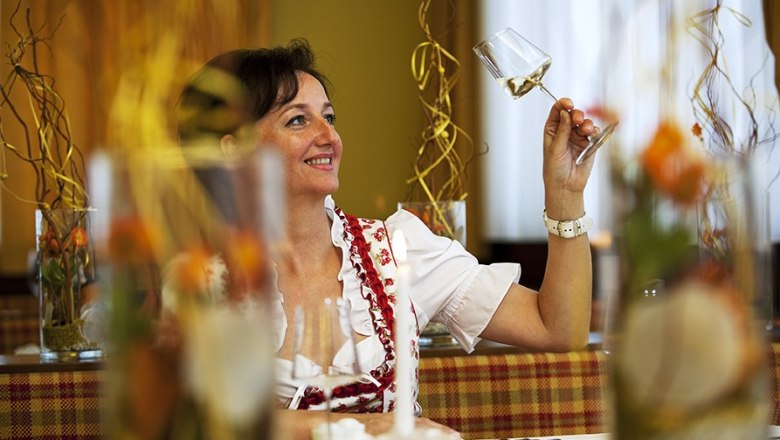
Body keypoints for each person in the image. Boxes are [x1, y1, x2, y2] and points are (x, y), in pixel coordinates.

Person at [176, 39, 598, 437]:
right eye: (298, 119)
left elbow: (557, 329)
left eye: (330, 116)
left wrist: (565, 195)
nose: (329, 137)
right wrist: (372, 428)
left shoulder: (396, 251)